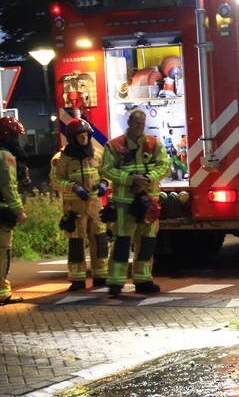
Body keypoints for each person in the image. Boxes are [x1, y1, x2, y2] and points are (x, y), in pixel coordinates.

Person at [101, 109, 170, 297]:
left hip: (149, 201)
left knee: (147, 242)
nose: (140, 127)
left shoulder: (154, 143)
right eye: (137, 124)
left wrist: (148, 178)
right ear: (129, 123)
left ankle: (143, 279)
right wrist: (131, 179)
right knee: (122, 241)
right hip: (125, 203)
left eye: (142, 124)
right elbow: (106, 169)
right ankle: (116, 282)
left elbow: (165, 164)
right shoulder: (113, 145)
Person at [49, 118, 110, 291]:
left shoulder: (97, 154)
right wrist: (73, 187)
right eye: (80, 135)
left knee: (100, 240)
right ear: (71, 138)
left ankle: (101, 276)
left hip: (95, 206)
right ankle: (77, 279)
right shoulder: (61, 158)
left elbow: (106, 173)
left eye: (85, 134)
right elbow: (55, 179)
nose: (84, 138)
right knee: (76, 243)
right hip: (74, 208)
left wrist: (105, 183)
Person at [0, 116, 28, 305]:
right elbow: (8, 186)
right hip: (2, 212)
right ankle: (3, 292)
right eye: (16, 137)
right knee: (3, 251)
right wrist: (19, 210)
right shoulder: (5, 156)